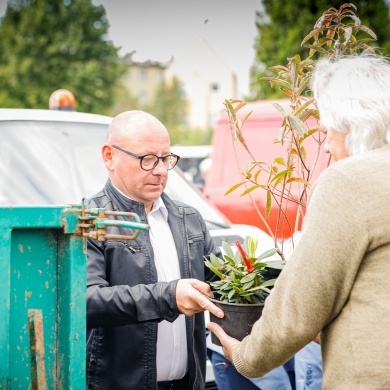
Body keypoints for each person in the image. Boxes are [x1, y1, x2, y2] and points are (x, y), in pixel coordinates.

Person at [207, 52, 390, 389]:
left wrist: (247, 357)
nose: (327, 145)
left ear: (349, 123)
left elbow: (300, 307)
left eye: (326, 130)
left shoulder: (349, 180)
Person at [85, 110, 224, 390]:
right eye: (147, 159)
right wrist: (168, 296)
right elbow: (87, 301)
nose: (160, 170)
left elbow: (224, 285)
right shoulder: (89, 221)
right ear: (109, 156)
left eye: (165, 158)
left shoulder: (189, 220)